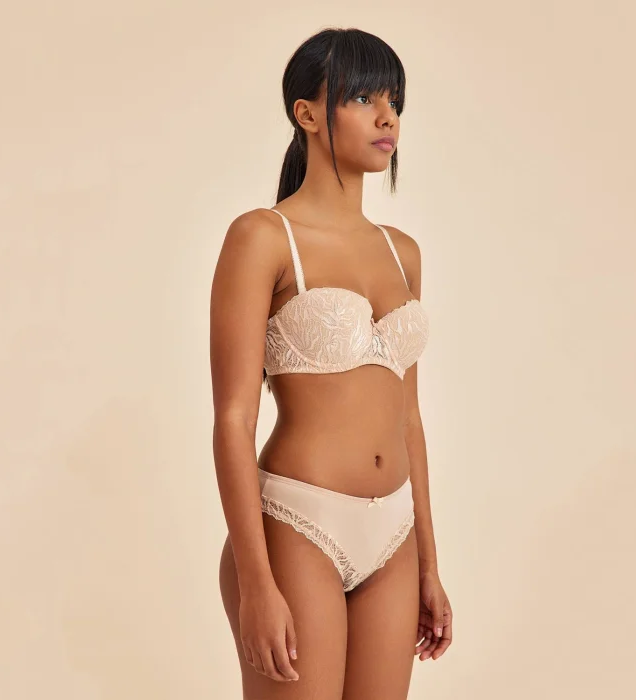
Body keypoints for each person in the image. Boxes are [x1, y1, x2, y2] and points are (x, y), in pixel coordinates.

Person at [210, 27, 453, 699]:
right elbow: (233, 419)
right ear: (308, 113)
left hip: (395, 535)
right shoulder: (263, 237)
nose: (387, 117)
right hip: (297, 525)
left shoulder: (403, 252)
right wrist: (255, 583)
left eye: (394, 100)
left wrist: (429, 564)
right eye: (364, 97)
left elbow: (408, 419)